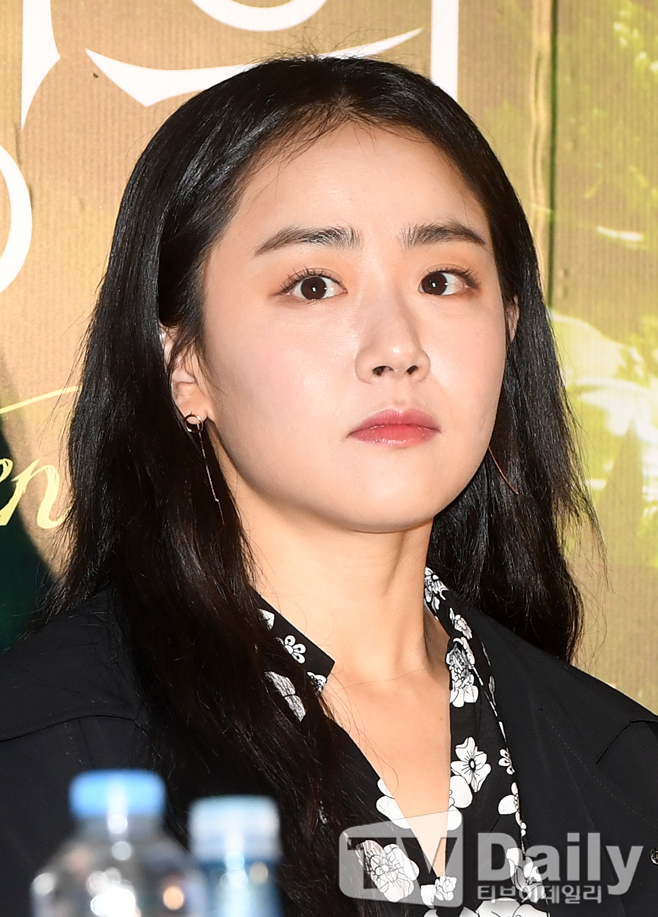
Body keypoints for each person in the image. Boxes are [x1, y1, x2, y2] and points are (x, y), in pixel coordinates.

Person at [0, 54, 657, 917]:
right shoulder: (50, 743)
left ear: (508, 327)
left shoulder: (622, 761)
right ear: (183, 362)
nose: (397, 346)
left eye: (442, 280)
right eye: (314, 285)